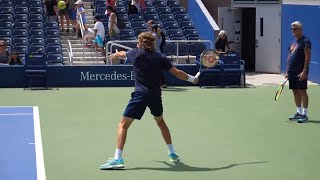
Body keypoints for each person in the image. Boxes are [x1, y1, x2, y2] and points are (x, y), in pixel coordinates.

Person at [99, 32, 198, 170]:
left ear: (140, 43)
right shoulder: (160, 57)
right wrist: (193, 79)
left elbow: (123, 54)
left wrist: (116, 55)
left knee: (123, 125)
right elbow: (177, 73)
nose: (136, 44)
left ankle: (117, 159)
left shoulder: (135, 53)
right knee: (161, 122)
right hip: (155, 96)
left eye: (137, 42)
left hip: (140, 96)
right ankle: (173, 153)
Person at [286, 21, 311, 123]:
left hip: (300, 71)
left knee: (302, 91)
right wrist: (287, 71)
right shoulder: (292, 42)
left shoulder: (305, 41)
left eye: (295, 29)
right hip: (292, 72)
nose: (293, 30)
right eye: (292, 29)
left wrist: (304, 71)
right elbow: (289, 57)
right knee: (295, 91)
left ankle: (304, 115)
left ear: (300, 30)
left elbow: (307, 56)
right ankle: (298, 112)